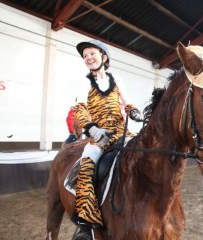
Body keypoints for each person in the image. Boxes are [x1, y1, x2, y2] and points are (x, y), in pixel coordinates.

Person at [72, 39, 142, 239]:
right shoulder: (85, 82)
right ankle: (86, 226)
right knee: (86, 167)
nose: (88, 58)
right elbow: (80, 108)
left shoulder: (117, 79)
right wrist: (92, 128)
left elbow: (127, 102)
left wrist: (134, 111)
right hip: (99, 135)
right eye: (85, 56)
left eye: (91, 54)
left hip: (122, 131)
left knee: (144, 153)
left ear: (104, 57)